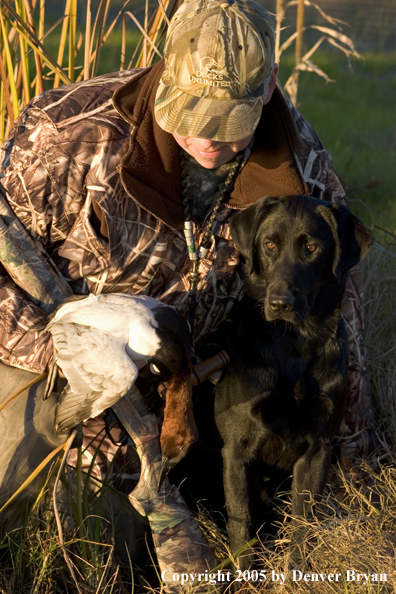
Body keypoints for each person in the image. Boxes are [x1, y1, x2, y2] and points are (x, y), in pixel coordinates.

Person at [0, 0, 377, 565]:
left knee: (152, 551)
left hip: (193, 403)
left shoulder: (301, 168)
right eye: (190, 109)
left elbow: (334, 320)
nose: (206, 137)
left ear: (269, 85)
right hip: (51, 371)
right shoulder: (66, 136)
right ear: (163, 68)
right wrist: (79, 363)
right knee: (79, 543)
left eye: (227, 121)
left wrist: (361, 475)